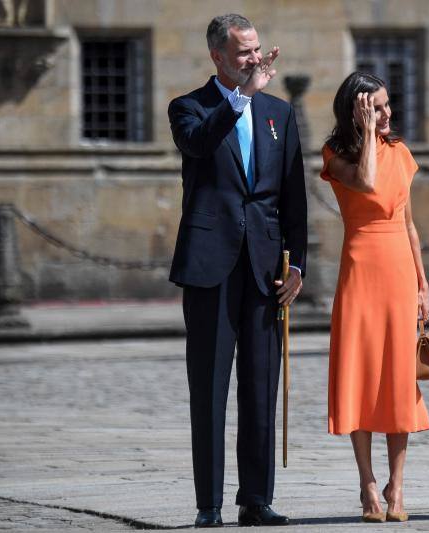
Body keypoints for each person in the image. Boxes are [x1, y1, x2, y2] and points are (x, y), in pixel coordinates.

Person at [167, 13, 307, 528]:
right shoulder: (189, 107)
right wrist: (242, 97)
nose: (254, 58)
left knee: (260, 384)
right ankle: (210, 504)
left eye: (256, 49)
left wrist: (301, 265)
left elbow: (293, 195)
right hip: (210, 266)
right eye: (242, 52)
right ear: (218, 57)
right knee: (209, 387)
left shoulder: (280, 113)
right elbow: (199, 144)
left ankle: (256, 498)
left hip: (265, 267)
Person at [320, 72, 429, 523]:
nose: (386, 115)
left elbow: (408, 224)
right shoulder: (336, 154)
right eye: (376, 107)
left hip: (399, 272)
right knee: (362, 376)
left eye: (387, 106)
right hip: (361, 271)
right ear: (356, 111)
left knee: (399, 381)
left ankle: (397, 488)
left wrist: (423, 285)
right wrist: (365, 133)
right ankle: (368, 486)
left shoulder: (401, 153)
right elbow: (365, 182)